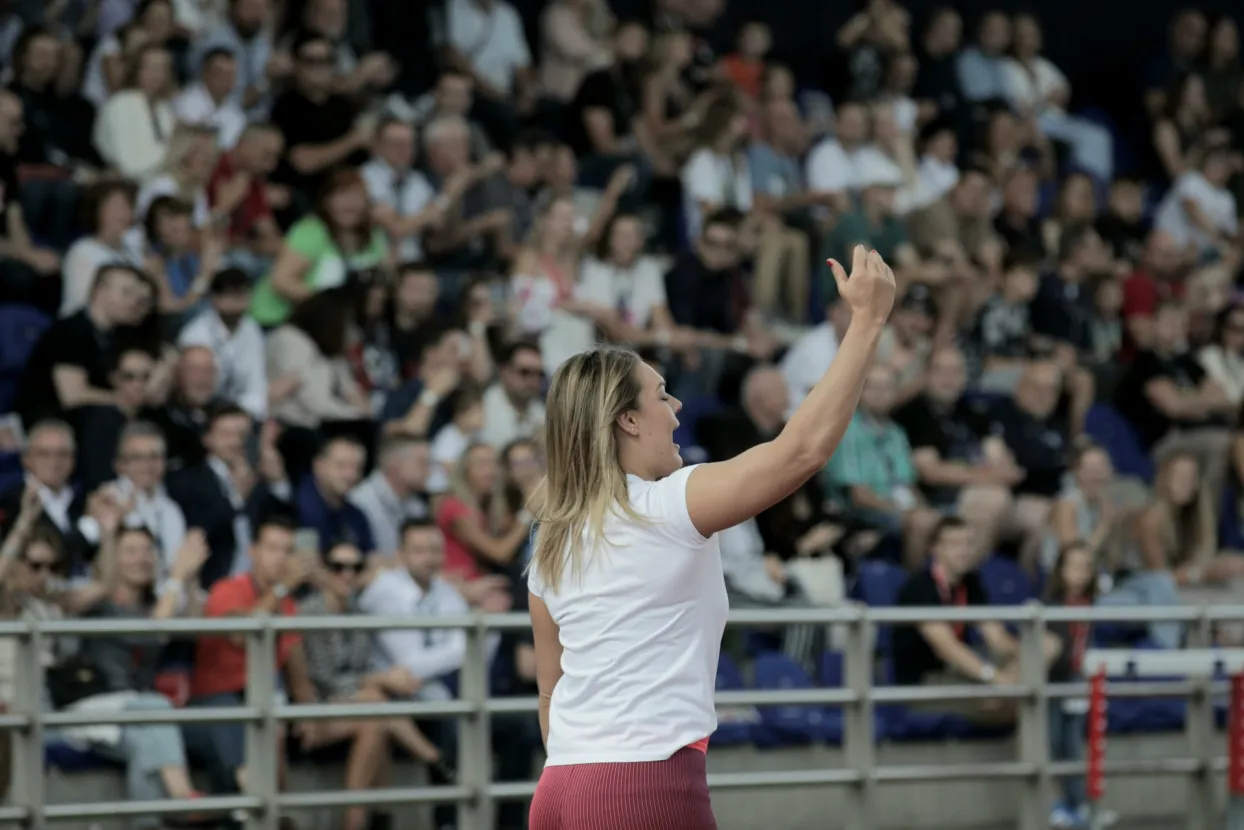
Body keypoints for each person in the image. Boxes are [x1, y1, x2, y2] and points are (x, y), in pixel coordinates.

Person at [526, 245, 896, 829]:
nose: (675, 409)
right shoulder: (666, 504)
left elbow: (551, 697)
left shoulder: (554, 538)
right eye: (661, 395)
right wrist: (868, 323)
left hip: (561, 787)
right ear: (627, 419)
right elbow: (800, 450)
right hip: (643, 784)